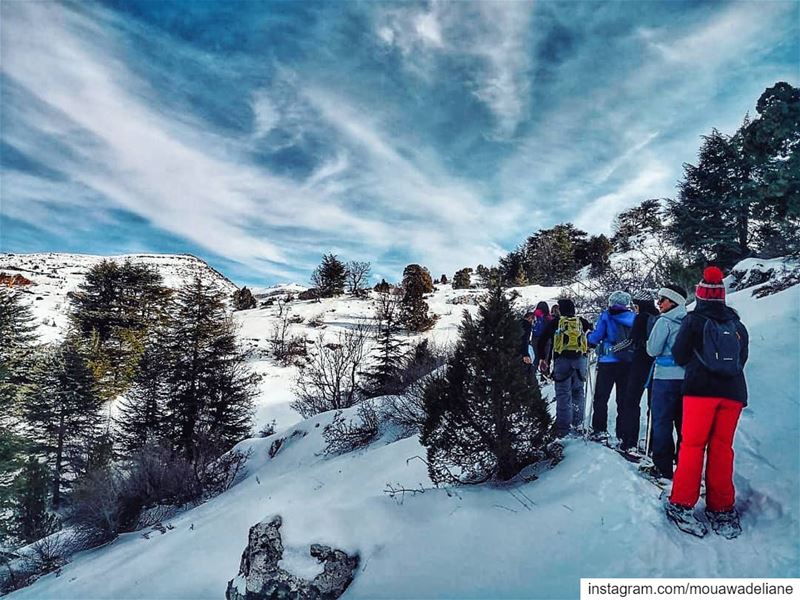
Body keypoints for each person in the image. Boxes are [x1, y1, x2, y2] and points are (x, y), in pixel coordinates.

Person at [665, 267, 749, 539]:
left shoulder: (693, 321)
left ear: (700, 295)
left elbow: (679, 355)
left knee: (692, 446)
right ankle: (721, 507)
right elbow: (741, 359)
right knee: (722, 448)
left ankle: (682, 504)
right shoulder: (736, 324)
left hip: (700, 391)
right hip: (733, 392)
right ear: (722, 297)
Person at [641, 284, 688, 479]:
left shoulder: (664, 322)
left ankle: (662, 467)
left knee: (662, 422)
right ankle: (686, 466)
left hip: (664, 378)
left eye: (663, 299)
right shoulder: (689, 321)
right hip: (687, 379)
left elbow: (652, 350)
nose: (658, 303)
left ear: (673, 301)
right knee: (683, 424)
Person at [537, 298, 592, 438]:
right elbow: (592, 336)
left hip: (562, 361)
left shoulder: (555, 322)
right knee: (578, 391)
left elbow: (542, 340)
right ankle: (578, 423)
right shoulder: (581, 322)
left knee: (563, 393)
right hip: (580, 361)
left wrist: (543, 358)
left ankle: (563, 428)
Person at [587, 290, 635, 442]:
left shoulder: (606, 316)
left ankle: (600, 429)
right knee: (623, 399)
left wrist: (589, 337)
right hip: (627, 361)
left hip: (608, 361)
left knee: (601, 397)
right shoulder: (634, 318)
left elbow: (596, 337)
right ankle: (623, 433)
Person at [618, 294, 659, 453]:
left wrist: (609, 350)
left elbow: (630, 340)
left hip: (639, 363)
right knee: (653, 405)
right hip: (656, 365)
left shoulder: (640, 318)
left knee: (632, 401)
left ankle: (629, 441)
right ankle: (653, 444)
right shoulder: (659, 318)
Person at [530, 301, 552, 366]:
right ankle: (544, 374)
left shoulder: (534, 315)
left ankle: (533, 374)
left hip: (535, 338)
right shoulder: (548, 317)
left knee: (536, 358)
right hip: (546, 339)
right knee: (545, 359)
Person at [520, 306, 537, 383]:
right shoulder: (527, 326)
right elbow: (524, 340)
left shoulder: (519, 323)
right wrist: (525, 354)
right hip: (523, 352)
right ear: (530, 318)